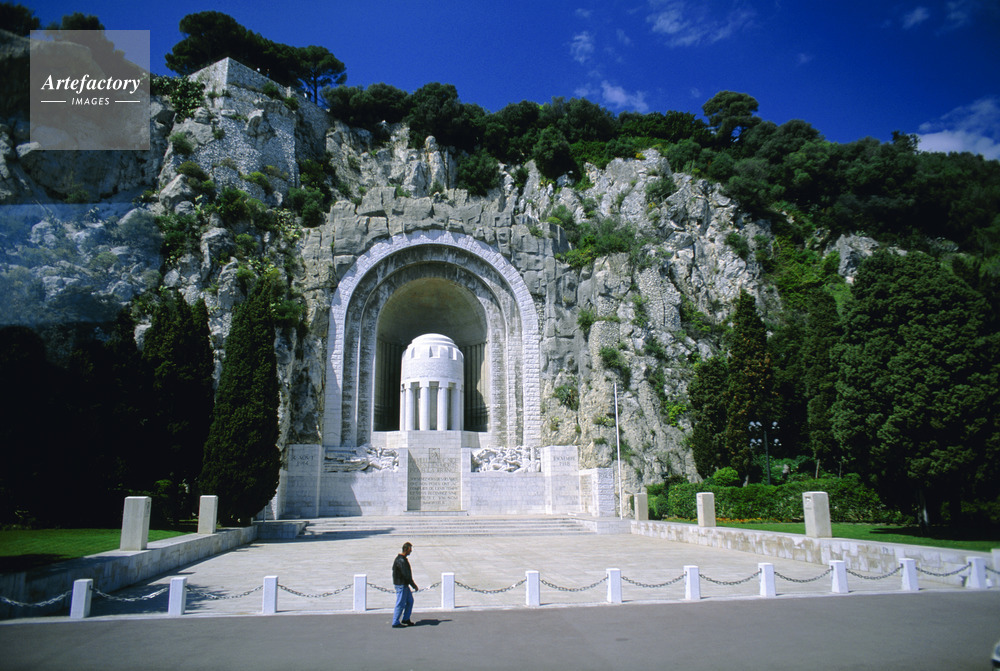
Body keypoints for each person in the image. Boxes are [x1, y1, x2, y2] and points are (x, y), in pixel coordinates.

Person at [391, 541, 418, 628]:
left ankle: (406, 619)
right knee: (400, 603)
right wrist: (414, 585)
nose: (411, 551)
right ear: (406, 549)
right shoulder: (401, 560)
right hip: (401, 584)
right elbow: (406, 575)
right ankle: (395, 622)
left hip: (404, 584)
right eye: (410, 549)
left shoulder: (402, 559)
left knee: (410, 601)